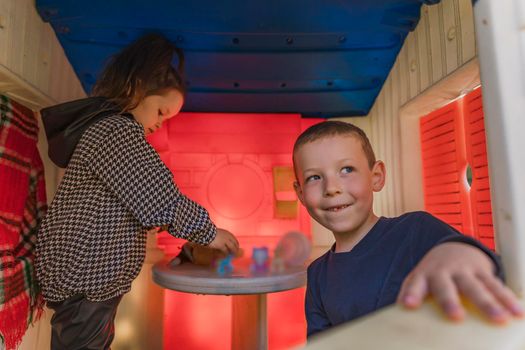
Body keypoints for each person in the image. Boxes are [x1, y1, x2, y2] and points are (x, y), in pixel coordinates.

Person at [35, 33, 239, 350]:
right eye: (160, 112)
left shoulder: (109, 132)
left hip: (84, 279)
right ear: (136, 90)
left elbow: (137, 204)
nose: (160, 124)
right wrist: (208, 232)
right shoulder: (116, 131)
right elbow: (159, 197)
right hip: (85, 280)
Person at [292, 121, 523, 338]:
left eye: (347, 169)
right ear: (300, 193)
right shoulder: (317, 274)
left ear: (376, 177)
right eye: (314, 177)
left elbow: (490, 271)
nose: (331, 188)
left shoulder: (416, 230)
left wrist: (462, 251)